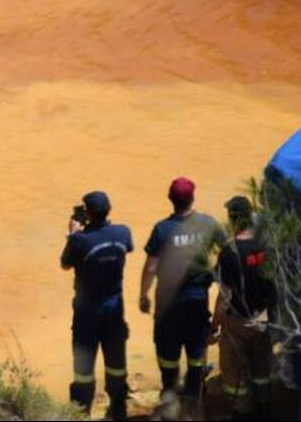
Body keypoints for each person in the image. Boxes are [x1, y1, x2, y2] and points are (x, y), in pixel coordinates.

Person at [139, 177, 229, 419]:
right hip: (197, 300)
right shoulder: (208, 224)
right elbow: (228, 249)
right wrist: (216, 273)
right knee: (196, 352)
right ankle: (192, 401)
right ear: (192, 197)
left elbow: (151, 268)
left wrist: (143, 296)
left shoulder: (162, 229)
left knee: (168, 354)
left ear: (171, 198)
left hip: (168, 303)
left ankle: (170, 399)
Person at [60, 191, 133, 421]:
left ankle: (81, 414)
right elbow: (126, 247)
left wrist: (73, 234)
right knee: (116, 367)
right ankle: (118, 412)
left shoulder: (80, 241)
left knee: (83, 372)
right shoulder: (123, 232)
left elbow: (65, 264)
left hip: (86, 315)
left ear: (88, 214)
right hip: (114, 312)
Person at [211, 196, 276, 420]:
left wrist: (214, 325)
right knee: (262, 371)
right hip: (263, 318)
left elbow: (225, 296)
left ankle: (242, 413)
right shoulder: (265, 246)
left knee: (233, 373)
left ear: (233, 219)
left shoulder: (230, 252)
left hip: (238, 322)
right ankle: (265, 411)